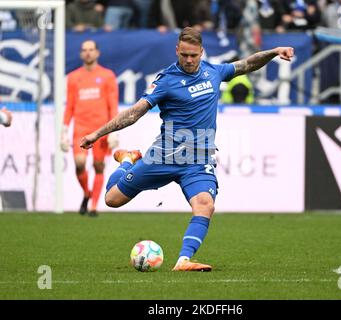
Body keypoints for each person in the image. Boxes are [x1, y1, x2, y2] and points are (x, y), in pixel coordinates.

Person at [80, 27, 293, 270]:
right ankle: (128, 160)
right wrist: (97, 134)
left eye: (193, 55)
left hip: (197, 159)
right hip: (164, 156)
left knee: (205, 204)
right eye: (184, 55)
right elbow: (135, 113)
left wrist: (275, 51)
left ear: (202, 51)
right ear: (177, 51)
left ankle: (183, 260)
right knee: (112, 199)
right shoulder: (166, 80)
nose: (189, 60)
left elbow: (247, 64)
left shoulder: (214, 72)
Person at [62, 40, 119, 217]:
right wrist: (64, 130)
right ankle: (87, 192)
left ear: (97, 53)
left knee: (98, 166)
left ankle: (93, 205)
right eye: (84, 50)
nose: (88, 53)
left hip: (100, 129)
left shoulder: (108, 76)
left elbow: (112, 105)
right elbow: (70, 105)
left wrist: (113, 131)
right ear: (81, 54)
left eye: (91, 50)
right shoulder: (73, 77)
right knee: (79, 164)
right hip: (81, 127)